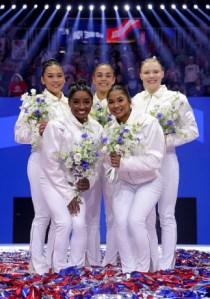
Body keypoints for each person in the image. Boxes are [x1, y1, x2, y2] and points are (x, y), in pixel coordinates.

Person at [132, 57, 199, 270]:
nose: (151, 76)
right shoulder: (135, 101)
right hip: (143, 164)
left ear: (162, 74)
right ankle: (151, 262)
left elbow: (192, 131)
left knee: (167, 214)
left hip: (167, 161)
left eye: (155, 72)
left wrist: (163, 142)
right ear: (140, 75)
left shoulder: (176, 99)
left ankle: (167, 264)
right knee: (147, 216)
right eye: (147, 72)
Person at [40, 80, 103, 273]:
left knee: (80, 224)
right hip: (53, 181)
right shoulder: (56, 126)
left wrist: (89, 180)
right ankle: (59, 268)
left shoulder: (97, 128)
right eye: (76, 102)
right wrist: (68, 195)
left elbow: (98, 162)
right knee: (64, 223)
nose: (81, 107)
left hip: (77, 186)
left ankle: (74, 268)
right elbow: (50, 164)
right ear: (70, 103)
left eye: (86, 102)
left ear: (92, 103)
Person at [14, 58, 69, 275]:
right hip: (39, 161)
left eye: (59, 76)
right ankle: (37, 266)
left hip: (64, 166)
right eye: (51, 76)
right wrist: (37, 130)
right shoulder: (33, 103)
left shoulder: (70, 104)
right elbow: (18, 135)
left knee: (60, 217)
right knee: (42, 215)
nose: (56, 80)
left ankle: (55, 263)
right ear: (43, 79)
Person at [103, 85, 165, 273]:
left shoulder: (149, 123)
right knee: (120, 222)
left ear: (129, 101)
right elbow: (108, 162)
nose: (116, 105)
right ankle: (128, 270)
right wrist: (113, 173)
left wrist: (124, 162)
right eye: (111, 102)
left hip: (150, 182)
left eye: (120, 100)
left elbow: (155, 160)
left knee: (135, 220)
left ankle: (143, 270)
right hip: (124, 183)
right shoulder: (109, 128)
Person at [86, 63, 116, 266]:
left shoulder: (120, 102)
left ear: (113, 79)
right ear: (93, 79)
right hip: (91, 164)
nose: (103, 79)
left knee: (114, 214)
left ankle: (111, 260)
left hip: (115, 165)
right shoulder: (86, 103)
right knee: (91, 213)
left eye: (108, 75)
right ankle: (92, 259)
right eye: (99, 75)